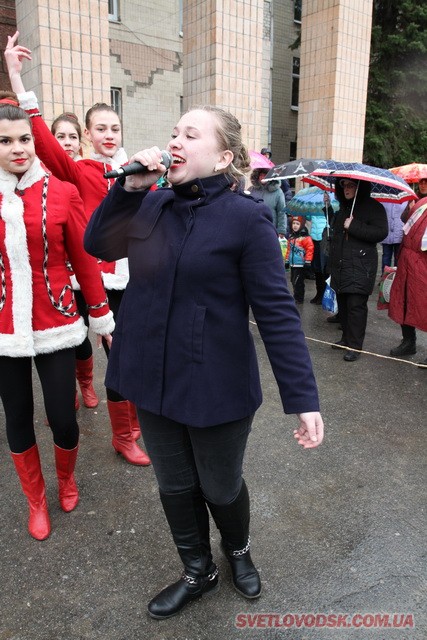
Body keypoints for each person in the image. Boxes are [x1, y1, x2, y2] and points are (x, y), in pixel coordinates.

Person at [84, 106, 324, 619]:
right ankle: (198, 570)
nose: (175, 140)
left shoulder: (247, 216)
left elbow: (277, 313)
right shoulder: (153, 203)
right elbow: (97, 243)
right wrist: (127, 189)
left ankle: (236, 551)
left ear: (223, 157)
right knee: (174, 482)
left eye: (190, 134)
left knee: (219, 484)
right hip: (151, 375)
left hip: (215, 384)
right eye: (173, 131)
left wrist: (302, 399)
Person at [5, 32, 150, 465]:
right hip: (84, 279)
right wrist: (16, 76)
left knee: (123, 357)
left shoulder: (138, 172)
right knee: (81, 350)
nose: (109, 134)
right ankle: (80, 390)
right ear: (88, 135)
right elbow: (43, 143)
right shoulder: (79, 171)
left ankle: (124, 434)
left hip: (128, 280)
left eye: (115, 128)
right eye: (101, 128)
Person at [0, 94, 115, 540]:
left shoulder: (62, 192)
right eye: (6, 141)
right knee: (17, 417)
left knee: (63, 417)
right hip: (5, 326)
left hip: (57, 320)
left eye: (25, 138)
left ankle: (66, 479)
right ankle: (36, 501)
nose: (18, 148)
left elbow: (85, 263)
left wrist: (103, 319)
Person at [50, 110, 100, 409]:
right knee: (55, 341)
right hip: (50, 270)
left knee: (80, 333)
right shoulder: (35, 173)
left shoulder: (81, 171)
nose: (66, 142)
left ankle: (86, 383)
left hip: (79, 266)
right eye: (60, 137)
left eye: (72, 137)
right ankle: (64, 394)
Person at [328, 179, 388, 361]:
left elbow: (380, 232)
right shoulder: (344, 207)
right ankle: (346, 338)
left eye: (350, 185)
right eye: (343, 185)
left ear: (359, 187)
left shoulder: (374, 207)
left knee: (356, 306)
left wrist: (354, 226)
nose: (346, 189)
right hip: (342, 265)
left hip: (361, 265)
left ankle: (355, 346)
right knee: (344, 304)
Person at [388, 196, 427, 365]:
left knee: (423, 305)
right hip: (407, 261)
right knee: (404, 301)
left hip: (422, 262)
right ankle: (408, 342)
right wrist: (410, 206)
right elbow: (405, 220)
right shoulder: (420, 202)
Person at [247, 168, 286, 236]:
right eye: (261, 175)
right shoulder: (251, 190)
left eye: (265, 175)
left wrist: (281, 230)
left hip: (270, 229)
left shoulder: (278, 192)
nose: (262, 177)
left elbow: (282, 212)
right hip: (252, 228)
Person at [285, 216, 314, 304]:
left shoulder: (305, 238)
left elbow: (310, 249)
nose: (295, 225)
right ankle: (296, 296)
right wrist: (287, 260)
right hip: (293, 264)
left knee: (298, 282)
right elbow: (289, 250)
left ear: (301, 225)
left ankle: (299, 298)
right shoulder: (292, 237)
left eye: (297, 224)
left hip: (300, 264)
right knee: (293, 281)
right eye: (293, 223)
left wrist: (308, 261)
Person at [380, 201, 406, 273]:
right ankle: (384, 279)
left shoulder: (405, 200)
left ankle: (396, 280)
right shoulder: (384, 200)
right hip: (387, 233)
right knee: (386, 258)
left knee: (398, 259)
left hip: (399, 233)